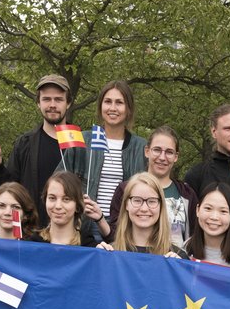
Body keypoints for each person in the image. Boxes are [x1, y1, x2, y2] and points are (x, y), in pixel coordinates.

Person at [0, 74, 72, 225]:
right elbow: (9, 190)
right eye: (46, 99)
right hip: (31, 233)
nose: (52, 104)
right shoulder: (24, 144)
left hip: (70, 236)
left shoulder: (80, 143)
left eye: (58, 99)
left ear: (68, 103)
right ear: (38, 103)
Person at [66, 80, 147, 222]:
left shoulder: (141, 147)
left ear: (128, 108)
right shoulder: (81, 141)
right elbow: (60, 182)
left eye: (119, 103)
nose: (113, 108)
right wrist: (76, 202)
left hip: (123, 226)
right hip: (85, 224)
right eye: (108, 101)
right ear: (100, 106)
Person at [103, 126, 196, 247]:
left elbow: (195, 237)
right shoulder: (126, 189)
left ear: (176, 157)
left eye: (169, 152)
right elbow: (116, 232)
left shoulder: (187, 194)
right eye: (157, 150)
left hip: (174, 262)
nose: (162, 157)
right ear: (147, 151)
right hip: (132, 259)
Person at [103, 172, 185, 257]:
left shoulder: (177, 257)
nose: (144, 209)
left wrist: (180, 268)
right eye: (137, 200)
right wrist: (97, 259)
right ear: (126, 204)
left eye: (152, 201)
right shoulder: (110, 253)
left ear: (161, 206)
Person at [185, 183, 230, 271]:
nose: (214, 217)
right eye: (208, 208)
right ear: (197, 210)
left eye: (223, 211)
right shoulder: (186, 248)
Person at [33, 171, 94, 246]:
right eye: (52, 198)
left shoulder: (89, 246)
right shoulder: (32, 243)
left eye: (66, 199)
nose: (58, 206)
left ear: (77, 206)